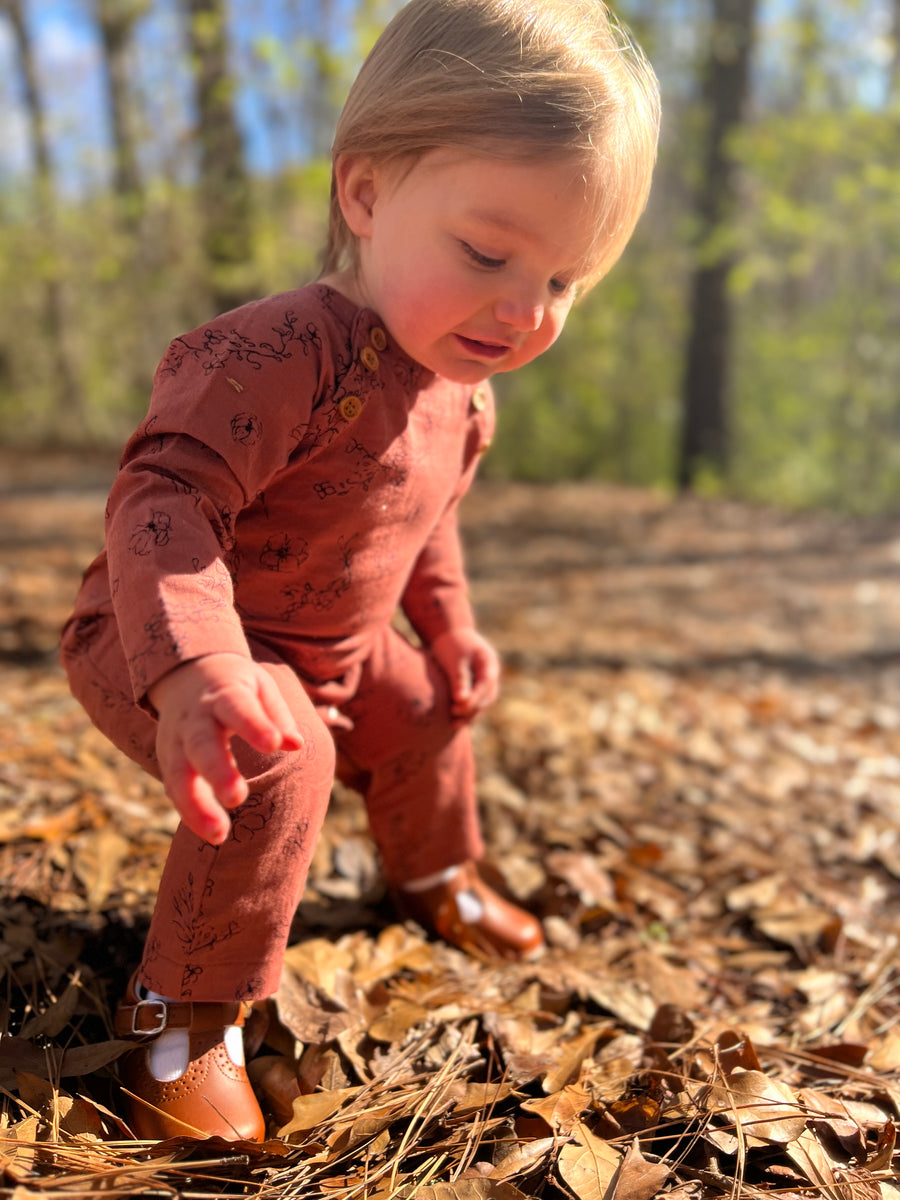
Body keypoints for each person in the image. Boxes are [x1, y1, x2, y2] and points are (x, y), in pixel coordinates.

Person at [61, 0, 660, 1144]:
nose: (526, 310)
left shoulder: (461, 388)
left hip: (336, 645)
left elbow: (423, 522)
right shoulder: (271, 358)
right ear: (367, 192)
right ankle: (185, 1018)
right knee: (286, 760)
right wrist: (195, 665)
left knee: (431, 705)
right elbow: (163, 500)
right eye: (488, 254)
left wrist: (452, 626)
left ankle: (436, 875)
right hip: (166, 639)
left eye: (566, 281)